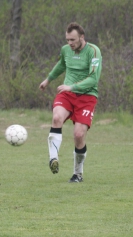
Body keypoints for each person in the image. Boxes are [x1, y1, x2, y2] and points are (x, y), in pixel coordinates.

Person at [39, 22, 102, 183]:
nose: (70, 43)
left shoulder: (94, 51)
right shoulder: (66, 50)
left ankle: (77, 174)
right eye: (67, 40)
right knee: (56, 118)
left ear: (82, 37)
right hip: (67, 94)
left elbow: (93, 79)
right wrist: (48, 80)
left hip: (87, 97)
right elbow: (61, 65)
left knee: (79, 135)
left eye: (72, 40)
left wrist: (72, 86)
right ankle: (53, 158)